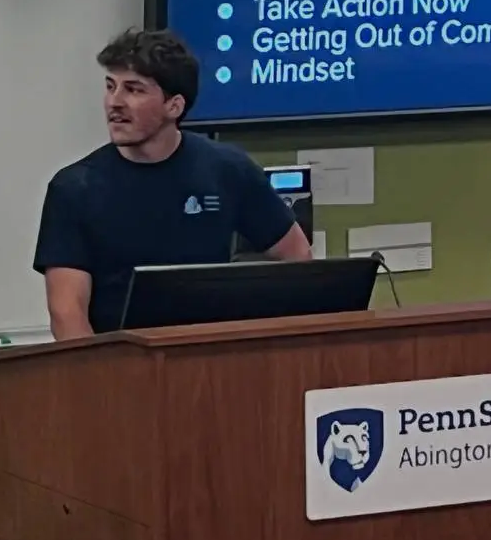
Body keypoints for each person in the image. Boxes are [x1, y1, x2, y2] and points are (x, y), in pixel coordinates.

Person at [34, 28, 311, 339]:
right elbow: (66, 312)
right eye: (111, 87)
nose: (115, 102)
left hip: (210, 362)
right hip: (120, 366)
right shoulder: (74, 189)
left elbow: (298, 257)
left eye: (134, 90)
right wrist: (103, 379)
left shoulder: (227, 169)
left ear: (174, 106)